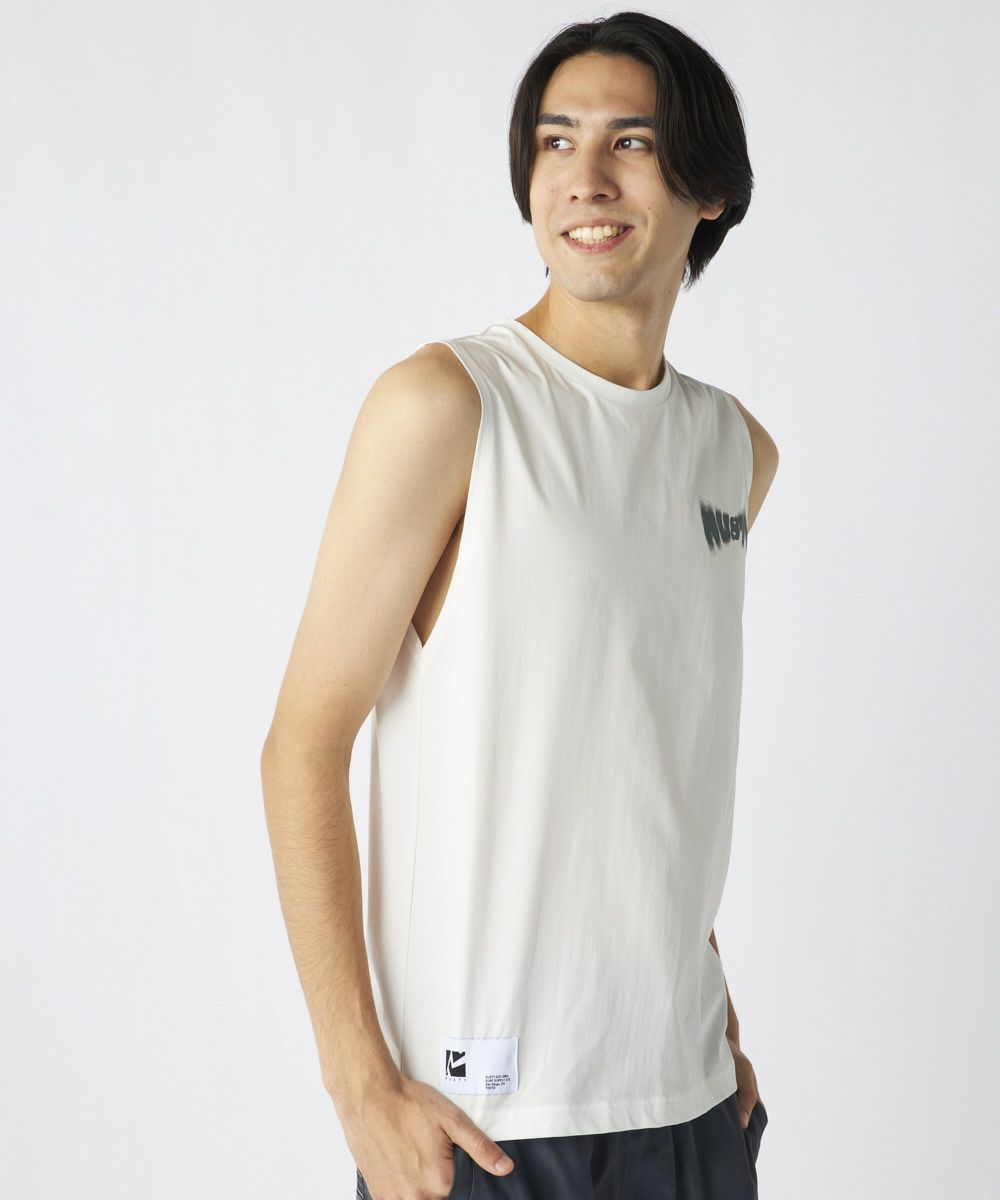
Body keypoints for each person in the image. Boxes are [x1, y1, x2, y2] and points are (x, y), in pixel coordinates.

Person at [260, 11, 779, 1199]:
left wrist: (716, 1019)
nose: (583, 178)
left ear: (709, 189)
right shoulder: (448, 404)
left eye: (630, 142)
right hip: (488, 1122)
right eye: (555, 141)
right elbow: (301, 747)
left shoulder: (733, 452)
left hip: (691, 1105)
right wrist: (359, 1086)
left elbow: (648, 754)